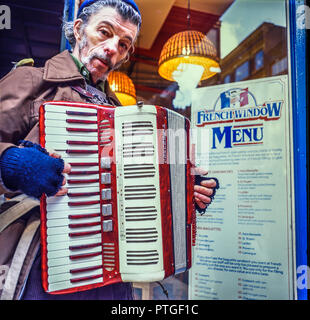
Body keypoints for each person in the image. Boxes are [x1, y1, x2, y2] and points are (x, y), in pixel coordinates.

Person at [0, 0, 218, 300]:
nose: (113, 48)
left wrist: (179, 192)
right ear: (78, 29)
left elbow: (141, 185)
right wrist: (11, 164)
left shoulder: (121, 114)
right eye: (104, 32)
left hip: (114, 278)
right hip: (39, 268)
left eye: (124, 44)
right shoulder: (31, 81)